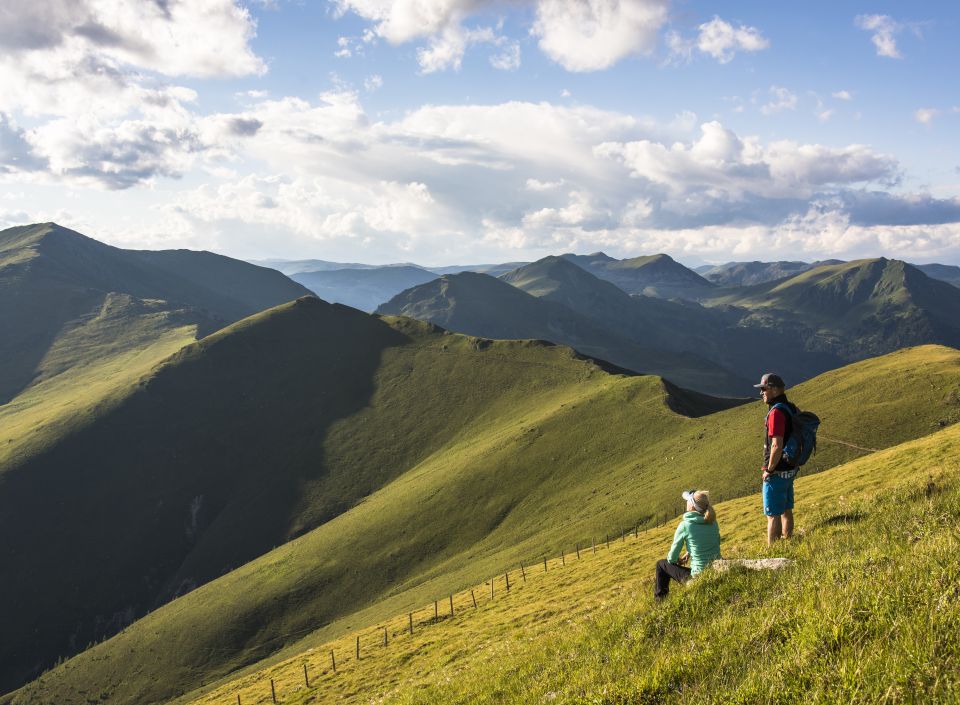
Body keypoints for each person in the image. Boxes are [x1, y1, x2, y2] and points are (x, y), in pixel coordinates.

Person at [755, 373, 799, 546]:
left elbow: (776, 445)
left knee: (772, 515)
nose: (761, 393)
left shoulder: (776, 413)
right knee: (786, 509)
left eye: (764, 389)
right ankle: (788, 541)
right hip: (790, 468)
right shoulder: (790, 407)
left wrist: (769, 470)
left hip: (777, 471)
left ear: (774, 389)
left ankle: (774, 550)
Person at [654, 489, 721, 600]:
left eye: (688, 500)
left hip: (698, 576)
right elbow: (714, 543)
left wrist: (677, 559)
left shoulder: (685, 525)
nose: (686, 502)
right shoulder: (713, 522)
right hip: (715, 571)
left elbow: (671, 558)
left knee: (661, 564)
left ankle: (660, 602)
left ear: (692, 506)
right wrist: (689, 552)